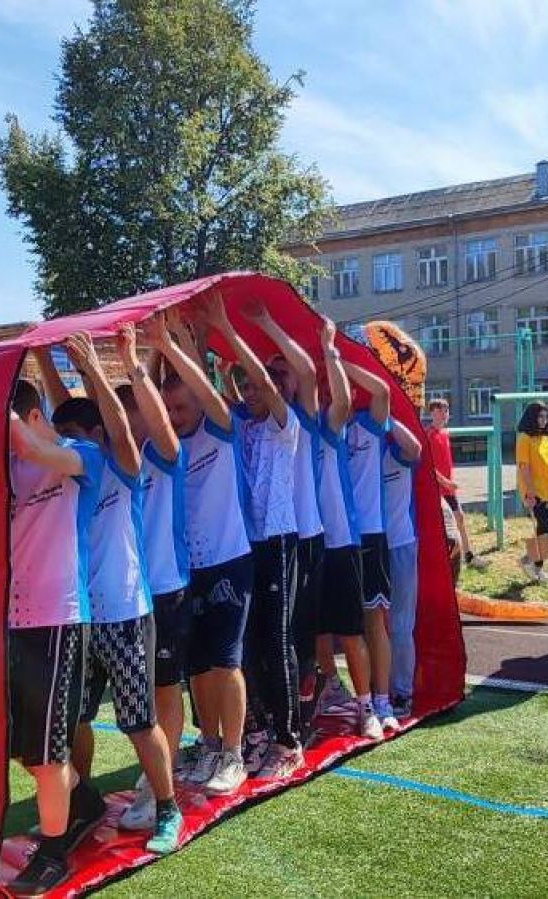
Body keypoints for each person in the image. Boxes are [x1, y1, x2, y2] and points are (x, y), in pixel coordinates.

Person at [36, 333, 182, 856]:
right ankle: (84, 802)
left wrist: (96, 365)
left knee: (139, 721)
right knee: (74, 717)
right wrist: (42, 358)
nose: (67, 445)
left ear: (96, 434)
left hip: (124, 612)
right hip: (79, 615)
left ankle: (168, 808)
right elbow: (62, 414)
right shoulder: (65, 477)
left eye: (77, 436)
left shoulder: (121, 466)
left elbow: (115, 428)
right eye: (62, 438)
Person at [3, 379, 103, 895]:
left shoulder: (78, 454)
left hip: (60, 619)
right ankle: (81, 801)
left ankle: (54, 853)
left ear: (31, 415)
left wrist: (4, 417)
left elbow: (40, 449)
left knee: (47, 751)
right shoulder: (7, 468)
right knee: (19, 745)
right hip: (13, 622)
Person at [152, 306, 252, 797]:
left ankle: (233, 755)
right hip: (187, 568)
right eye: (168, 411)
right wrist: (151, 350)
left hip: (231, 560)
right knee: (197, 666)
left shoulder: (219, 428)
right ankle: (209, 743)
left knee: (225, 661)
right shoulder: (167, 443)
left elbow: (205, 393)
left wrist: (173, 346)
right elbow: (150, 401)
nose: (174, 418)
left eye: (182, 409)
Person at [112, 323, 190, 832]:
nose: (124, 419)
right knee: (139, 693)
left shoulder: (164, 452)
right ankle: (157, 771)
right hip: (127, 595)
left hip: (167, 586)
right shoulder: (116, 457)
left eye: (132, 408)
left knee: (163, 689)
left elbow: (160, 419)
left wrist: (133, 361)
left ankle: (161, 781)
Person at [242, 303, 325, 759]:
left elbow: (307, 373)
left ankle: (296, 721)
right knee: (275, 633)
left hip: (303, 534)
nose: (275, 379)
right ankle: (277, 717)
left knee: (296, 633)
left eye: (279, 373)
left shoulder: (302, 414)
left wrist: (267, 324)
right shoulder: (252, 423)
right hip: (269, 537)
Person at [311, 320, 381, 739]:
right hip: (307, 543)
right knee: (317, 630)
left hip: (342, 541)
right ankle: (331, 688)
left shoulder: (329, 428)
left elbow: (342, 398)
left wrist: (330, 350)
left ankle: (366, 705)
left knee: (351, 633)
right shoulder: (287, 427)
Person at [332, 361, 393, 738]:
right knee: (335, 628)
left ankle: (382, 701)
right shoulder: (324, 424)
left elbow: (383, 393)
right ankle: (348, 696)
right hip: (333, 535)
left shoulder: (368, 424)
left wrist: (339, 357)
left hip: (370, 533)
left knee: (373, 621)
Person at [380, 415, 422, 722]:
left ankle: (401, 692)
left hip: (401, 545)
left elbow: (415, 448)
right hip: (368, 547)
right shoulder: (353, 454)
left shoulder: (394, 451)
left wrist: (388, 418)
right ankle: (378, 691)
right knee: (371, 625)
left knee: (400, 625)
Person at [425, 399, 489, 571]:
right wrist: (445, 482)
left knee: (459, 517)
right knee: (445, 525)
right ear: (431, 413)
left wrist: (449, 482)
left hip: (447, 489)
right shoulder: (428, 435)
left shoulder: (445, 434)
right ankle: (445, 559)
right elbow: (428, 465)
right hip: (437, 489)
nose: (444, 415)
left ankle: (468, 555)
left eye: (446, 411)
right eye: (439, 411)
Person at [516, 401, 548, 585]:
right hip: (534, 493)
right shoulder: (524, 438)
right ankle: (526, 560)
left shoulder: (545, 439)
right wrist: (529, 493)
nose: (543, 421)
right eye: (540, 417)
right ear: (531, 417)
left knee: (543, 532)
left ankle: (537, 570)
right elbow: (524, 467)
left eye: (546, 417)